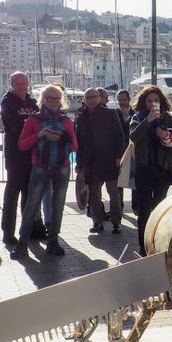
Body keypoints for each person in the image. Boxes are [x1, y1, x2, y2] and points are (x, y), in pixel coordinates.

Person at [10, 85, 78, 258]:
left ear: (61, 101)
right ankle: (22, 243)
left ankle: (53, 241)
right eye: (49, 98)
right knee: (31, 205)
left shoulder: (66, 121)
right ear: (43, 100)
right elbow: (22, 145)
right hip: (40, 167)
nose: (53, 102)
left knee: (58, 206)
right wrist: (39, 135)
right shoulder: (34, 120)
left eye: (56, 99)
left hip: (61, 167)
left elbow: (75, 146)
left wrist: (65, 138)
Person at [130, 86, 172, 255]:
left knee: (159, 206)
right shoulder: (138, 117)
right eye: (149, 101)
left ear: (161, 102)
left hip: (162, 168)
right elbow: (133, 137)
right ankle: (143, 246)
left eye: (155, 100)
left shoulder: (168, 119)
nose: (152, 104)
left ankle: (157, 241)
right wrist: (148, 121)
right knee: (144, 208)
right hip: (144, 168)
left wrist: (165, 136)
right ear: (144, 102)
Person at [75, 88, 126, 234]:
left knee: (114, 193)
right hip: (90, 162)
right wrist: (79, 163)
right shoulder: (81, 117)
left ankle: (116, 222)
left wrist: (118, 157)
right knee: (94, 194)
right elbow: (79, 142)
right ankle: (97, 222)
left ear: (99, 98)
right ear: (84, 99)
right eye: (88, 97)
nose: (91, 99)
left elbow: (119, 136)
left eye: (94, 96)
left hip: (109, 159)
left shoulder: (110, 113)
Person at [0, 72, 40, 245]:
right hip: (15, 154)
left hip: (32, 153)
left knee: (29, 194)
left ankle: (28, 229)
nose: (22, 87)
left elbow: (39, 122)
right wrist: (32, 129)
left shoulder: (32, 102)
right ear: (12, 84)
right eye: (18, 84)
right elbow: (14, 126)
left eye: (24, 83)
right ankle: (8, 232)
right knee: (12, 193)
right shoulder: (7, 102)